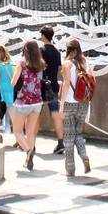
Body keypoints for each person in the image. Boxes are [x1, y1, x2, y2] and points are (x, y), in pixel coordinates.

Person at [9, 40, 46, 170]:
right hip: (37, 102)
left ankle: (28, 151)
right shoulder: (41, 65)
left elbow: (13, 83)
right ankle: (28, 160)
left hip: (23, 102)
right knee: (30, 133)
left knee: (17, 131)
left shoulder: (22, 64)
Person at [61, 38, 92, 177]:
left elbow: (66, 84)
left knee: (68, 136)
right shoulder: (86, 63)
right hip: (83, 102)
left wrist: (61, 104)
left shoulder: (67, 64)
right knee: (78, 134)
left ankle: (70, 169)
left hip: (69, 103)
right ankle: (84, 156)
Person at [39, 26, 65, 154]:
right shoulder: (56, 51)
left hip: (41, 85)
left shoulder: (41, 50)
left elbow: (39, 68)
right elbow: (58, 69)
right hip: (53, 85)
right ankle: (61, 142)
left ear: (44, 36)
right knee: (55, 114)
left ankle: (31, 144)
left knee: (35, 114)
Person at [0, 43, 15, 144]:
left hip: (2, 92)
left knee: (0, 113)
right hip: (11, 91)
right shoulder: (11, 64)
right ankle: (17, 138)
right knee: (13, 115)